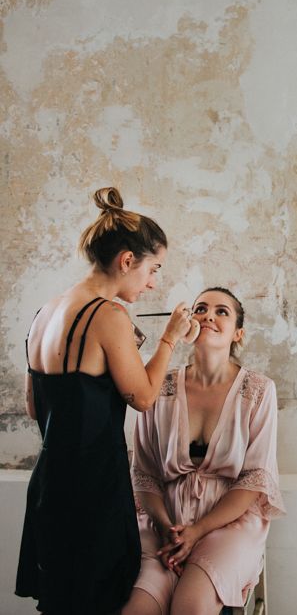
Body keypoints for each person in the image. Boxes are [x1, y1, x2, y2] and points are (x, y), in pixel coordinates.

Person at [16, 187, 193, 614]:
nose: (153, 283)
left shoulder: (46, 311)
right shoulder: (107, 315)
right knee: (98, 599)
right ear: (127, 260)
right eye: (153, 269)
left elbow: (34, 407)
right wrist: (169, 339)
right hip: (93, 485)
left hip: (50, 482)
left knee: (63, 599)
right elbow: (145, 398)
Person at [124, 287, 285, 615]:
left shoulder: (258, 390)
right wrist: (169, 528)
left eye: (222, 311)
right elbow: (144, 472)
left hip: (229, 522)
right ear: (188, 323)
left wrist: (198, 530)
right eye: (200, 309)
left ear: (238, 332)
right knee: (137, 608)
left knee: (191, 606)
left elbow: (255, 478)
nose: (209, 315)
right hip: (164, 520)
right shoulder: (160, 386)